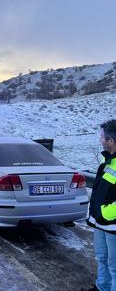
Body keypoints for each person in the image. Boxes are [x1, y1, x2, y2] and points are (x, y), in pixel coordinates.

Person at [86, 119, 116, 291]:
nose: (100, 140)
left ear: (111, 141)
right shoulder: (108, 162)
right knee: (101, 258)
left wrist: (105, 214)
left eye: (102, 137)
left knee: (114, 266)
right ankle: (101, 287)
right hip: (101, 224)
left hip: (112, 225)